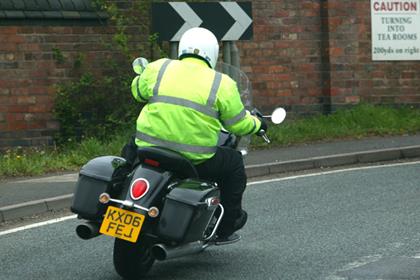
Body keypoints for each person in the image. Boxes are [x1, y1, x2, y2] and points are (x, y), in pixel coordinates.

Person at [130, 27, 267, 242]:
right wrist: (258, 125)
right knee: (234, 164)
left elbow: (137, 92)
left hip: (147, 148)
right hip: (194, 159)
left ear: (182, 48)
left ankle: (122, 183)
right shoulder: (221, 83)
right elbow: (238, 124)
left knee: (131, 146)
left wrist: (142, 78)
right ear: (212, 54)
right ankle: (227, 225)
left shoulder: (159, 67)